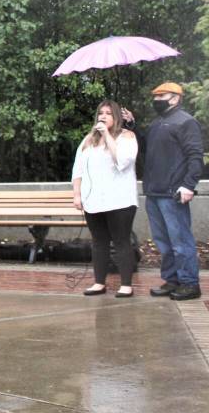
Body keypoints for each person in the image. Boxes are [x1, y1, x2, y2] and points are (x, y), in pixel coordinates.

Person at [142, 83, 204, 300]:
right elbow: (146, 150)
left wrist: (188, 185)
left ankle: (189, 283)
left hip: (173, 193)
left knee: (180, 241)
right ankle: (172, 280)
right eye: (155, 95)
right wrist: (131, 126)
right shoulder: (157, 123)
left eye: (162, 95)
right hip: (154, 192)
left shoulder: (186, 122)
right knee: (163, 242)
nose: (157, 99)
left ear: (176, 98)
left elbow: (195, 156)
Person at [71, 101, 139, 297]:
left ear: (116, 117)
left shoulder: (127, 137)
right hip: (93, 200)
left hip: (120, 200)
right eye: (101, 113)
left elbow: (123, 162)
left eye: (108, 113)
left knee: (121, 241)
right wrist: (77, 194)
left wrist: (108, 135)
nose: (103, 116)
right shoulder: (88, 140)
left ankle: (126, 285)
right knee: (99, 241)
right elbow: (78, 169)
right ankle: (99, 282)